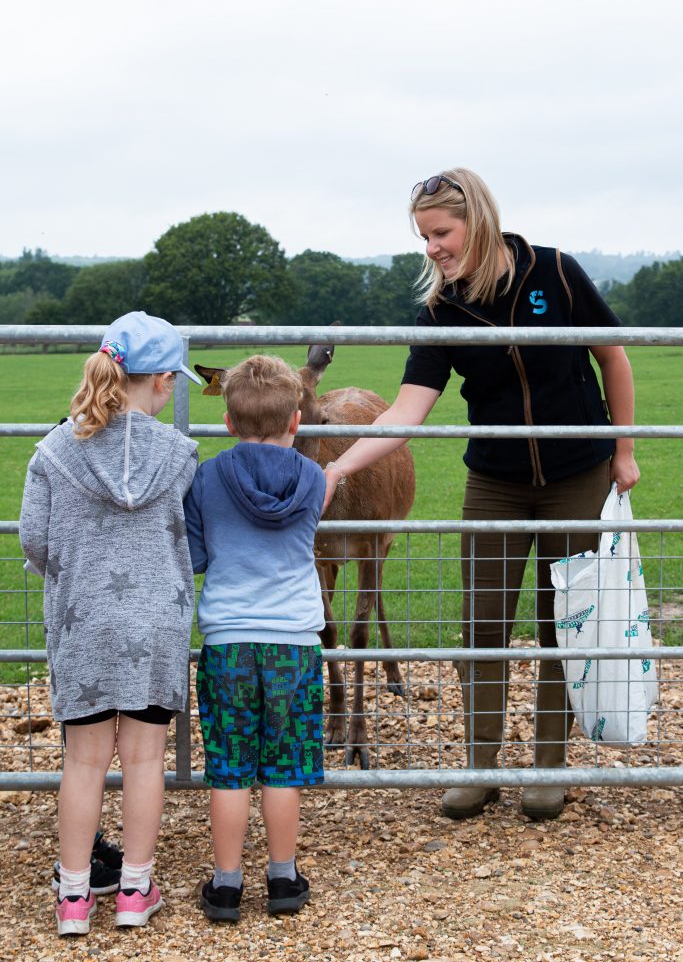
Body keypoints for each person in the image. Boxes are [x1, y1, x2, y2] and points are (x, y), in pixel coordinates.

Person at [323, 167, 640, 822]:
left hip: (576, 473)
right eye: (423, 237)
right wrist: (336, 470)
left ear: (477, 219)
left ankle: (547, 770)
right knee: (482, 625)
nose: (431, 247)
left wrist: (624, 448)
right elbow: (404, 412)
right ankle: (481, 767)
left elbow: (612, 356)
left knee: (563, 620)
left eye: (439, 232)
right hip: (494, 481)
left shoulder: (553, 273)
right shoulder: (442, 311)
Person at [19, 311, 200, 935]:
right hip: (155, 625)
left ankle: (74, 899)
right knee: (145, 760)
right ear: (158, 382)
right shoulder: (179, 454)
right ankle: (133, 891)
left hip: (82, 625)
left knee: (84, 761)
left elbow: (35, 542)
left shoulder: (53, 449)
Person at [183, 354, 326, 924]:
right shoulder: (313, 478)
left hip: (228, 642)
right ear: (296, 420)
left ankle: (225, 887)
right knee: (284, 765)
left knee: (230, 765)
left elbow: (195, 555)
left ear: (227, 421)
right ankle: (284, 878)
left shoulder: (207, 477)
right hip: (294, 641)